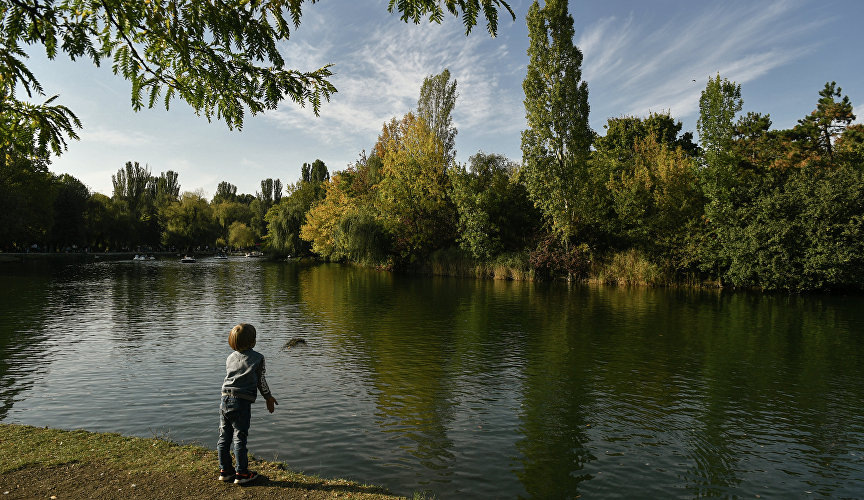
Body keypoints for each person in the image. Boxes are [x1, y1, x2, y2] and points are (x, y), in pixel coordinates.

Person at [217, 323, 278, 485]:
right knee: (240, 437)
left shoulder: (230, 357)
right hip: (241, 402)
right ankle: (242, 474)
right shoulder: (258, 358)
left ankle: (225, 471)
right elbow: (260, 380)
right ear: (253, 341)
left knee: (224, 437)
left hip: (224, 399)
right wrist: (268, 397)